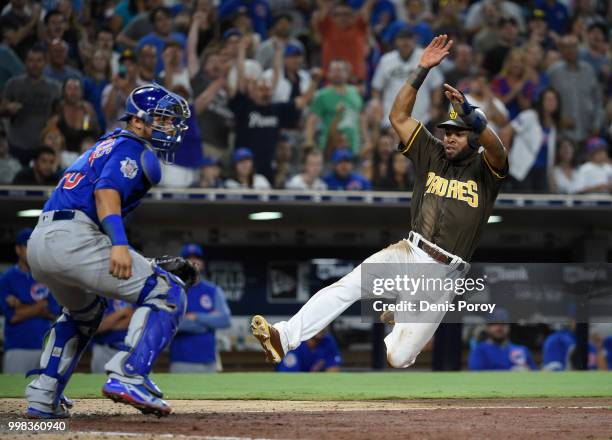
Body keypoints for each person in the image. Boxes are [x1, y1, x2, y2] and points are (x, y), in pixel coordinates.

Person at [250, 35, 509, 371]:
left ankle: (401, 312)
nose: (448, 137)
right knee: (348, 286)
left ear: (472, 137)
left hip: (444, 275)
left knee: (398, 358)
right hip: (410, 251)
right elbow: (399, 116)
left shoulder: (486, 170)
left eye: (457, 133)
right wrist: (421, 70)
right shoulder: (432, 153)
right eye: (447, 131)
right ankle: (282, 337)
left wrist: (475, 118)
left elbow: (499, 151)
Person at [23, 84, 192, 418]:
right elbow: (106, 193)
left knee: (84, 313)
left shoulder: (106, 143)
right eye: (163, 118)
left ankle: (44, 394)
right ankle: (130, 374)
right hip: (74, 236)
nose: (170, 126)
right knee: (168, 291)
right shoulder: (135, 148)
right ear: (139, 120)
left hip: (42, 240)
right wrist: (119, 243)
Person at [0, 229, 60, 374]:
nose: (33, 251)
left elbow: (53, 313)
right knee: (13, 393)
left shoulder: (47, 276)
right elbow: (13, 316)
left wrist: (21, 305)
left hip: (46, 347)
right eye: (28, 246)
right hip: (17, 347)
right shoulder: (6, 279)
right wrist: (40, 305)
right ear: (18, 249)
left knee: (45, 394)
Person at [169, 244, 231, 373]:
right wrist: (207, 323)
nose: (193, 261)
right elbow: (172, 323)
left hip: (209, 362)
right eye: (189, 258)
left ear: (202, 263)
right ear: (182, 263)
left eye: (197, 258)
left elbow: (225, 319)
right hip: (181, 361)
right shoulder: (173, 290)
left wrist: (196, 316)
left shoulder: (213, 290)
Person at [372, 27, 444, 129]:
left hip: (422, 118)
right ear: (396, 41)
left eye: (409, 39)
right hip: (392, 119)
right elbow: (377, 87)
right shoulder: (386, 60)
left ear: (414, 40)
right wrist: (377, 104)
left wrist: (435, 106)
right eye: (402, 39)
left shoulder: (425, 56)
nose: (405, 42)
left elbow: (436, 84)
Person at [2, 45, 61, 165]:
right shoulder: (13, 84)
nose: (35, 64)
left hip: (43, 147)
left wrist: (55, 119)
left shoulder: (54, 87)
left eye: (39, 60)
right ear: (25, 62)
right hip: (16, 144)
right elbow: (2, 108)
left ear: (45, 62)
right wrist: (8, 108)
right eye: (31, 60)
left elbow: (58, 112)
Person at [502, 87, 560, 193]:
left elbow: (550, 156)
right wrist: (507, 159)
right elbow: (506, 132)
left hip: (541, 172)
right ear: (541, 101)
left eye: (554, 99)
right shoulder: (529, 116)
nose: (551, 102)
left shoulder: (553, 126)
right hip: (523, 170)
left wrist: (551, 180)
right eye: (548, 99)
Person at [548, 35, 603, 144]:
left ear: (579, 48)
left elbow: (598, 100)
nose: (571, 50)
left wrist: (597, 124)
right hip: (563, 136)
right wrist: (557, 120)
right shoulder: (553, 72)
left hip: (588, 133)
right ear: (561, 50)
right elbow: (545, 102)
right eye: (567, 47)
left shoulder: (589, 70)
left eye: (574, 46)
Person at [306, 59, 365, 154]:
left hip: (353, 147)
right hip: (329, 146)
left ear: (347, 73)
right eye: (334, 70)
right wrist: (309, 141)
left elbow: (361, 117)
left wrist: (366, 140)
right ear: (328, 74)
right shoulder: (322, 95)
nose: (337, 73)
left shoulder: (355, 92)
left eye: (340, 70)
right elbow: (312, 119)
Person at [312, 0, 373, 83]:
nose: (342, 17)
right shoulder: (327, 27)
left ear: (353, 16)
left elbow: (368, 5)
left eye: (346, 14)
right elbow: (323, 6)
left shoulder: (359, 26)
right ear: (332, 16)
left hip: (355, 81)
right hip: (331, 82)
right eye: (337, 15)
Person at [47, 78, 100, 153]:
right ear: (64, 91)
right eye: (69, 88)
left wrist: (90, 119)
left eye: (76, 89)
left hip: (83, 153)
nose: (73, 92)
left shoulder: (87, 109)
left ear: (81, 92)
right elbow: (48, 133)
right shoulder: (58, 109)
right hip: (61, 153)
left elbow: (95, 132)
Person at [468, 318, 537, 371]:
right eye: (495, 324)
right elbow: (477, 374)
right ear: (487, 328)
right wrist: (511, 373)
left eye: (503, 324)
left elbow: (535, 372)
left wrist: (527, 370)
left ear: (509, 327)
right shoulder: (479, 350)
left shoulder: (521, 349)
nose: (499, 327)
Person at [136, 7, 186, 76]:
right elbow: (138, 67)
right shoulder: (145, 42)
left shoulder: (181, 38)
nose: (164, 22)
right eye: (160, 20)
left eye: (167, 18)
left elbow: (186, 63)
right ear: (154, 24)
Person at [90, 300, 133, 374]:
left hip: (130, 352)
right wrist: (122, 312)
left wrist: (109, 324)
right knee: (100, 382)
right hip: (104, 350)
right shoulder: (99, 298)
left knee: (135, 382)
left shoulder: (136, 296)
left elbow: (137, 322)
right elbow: (96, 328)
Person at [277, 330, 342, 372]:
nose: (322, 326)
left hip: (317, 385)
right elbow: (289, 376)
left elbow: (334, 369)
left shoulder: (328, 340)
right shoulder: (295, 340)